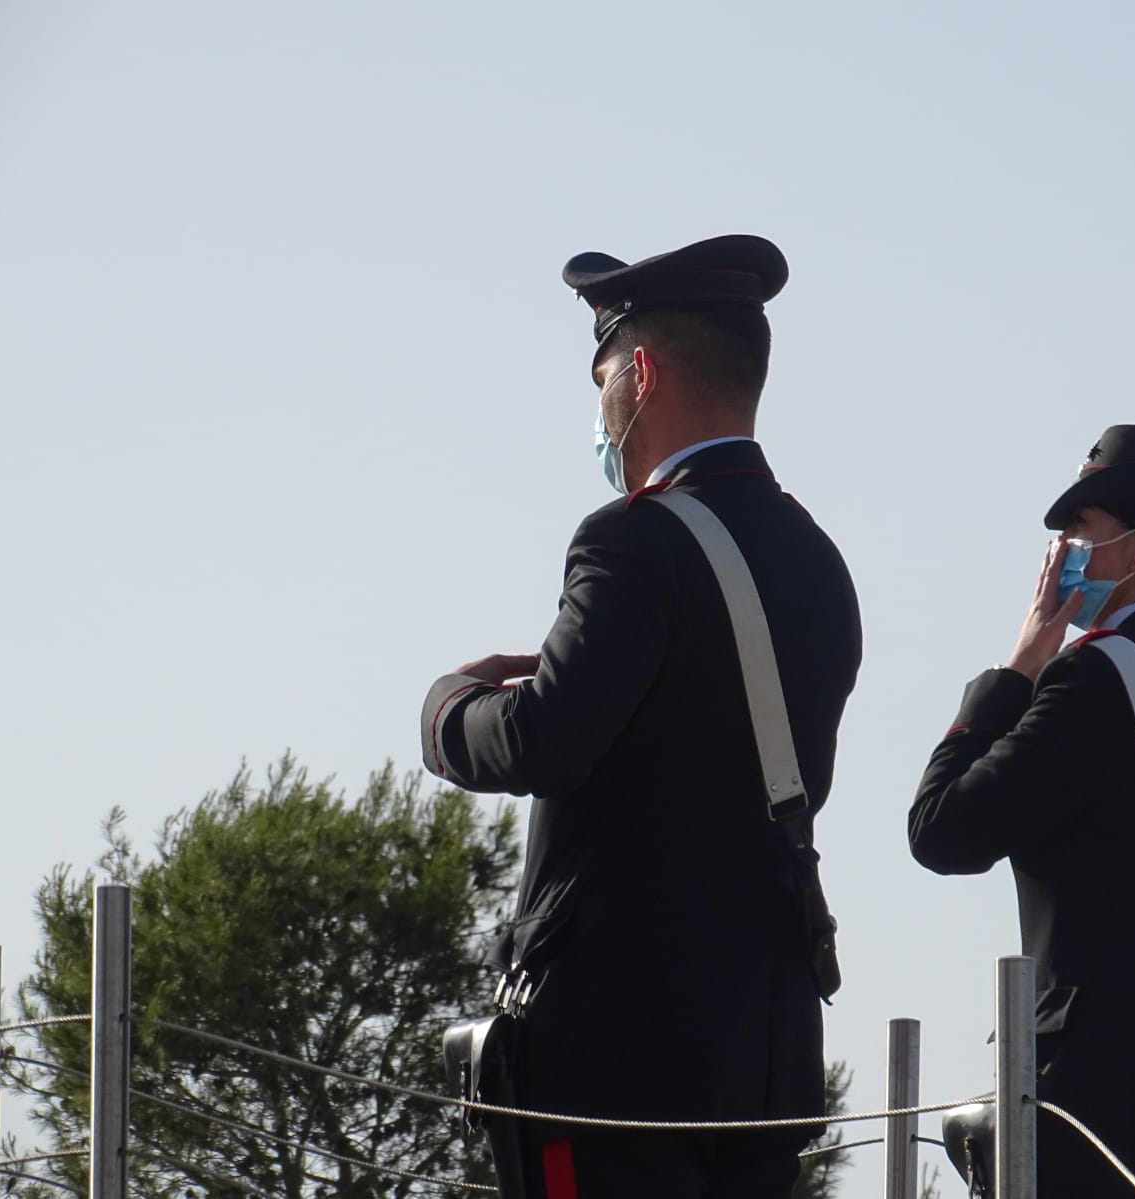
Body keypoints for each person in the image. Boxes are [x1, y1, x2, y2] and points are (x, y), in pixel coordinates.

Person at [421, 234, 862, 1199]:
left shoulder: (631, 542)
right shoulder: (818, 561)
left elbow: (545, 734)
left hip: (618, 1058)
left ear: (644, 371)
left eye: (604, 378)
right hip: (763, 1050)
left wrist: (450, 709)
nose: (602, 410)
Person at [909, 425, 1135, 1199]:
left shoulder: (1089, 684)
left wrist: (1017, 668)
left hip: (1094, 1128)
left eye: (1081, 531)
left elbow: (941, 828)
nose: (1060, 554)